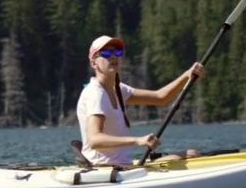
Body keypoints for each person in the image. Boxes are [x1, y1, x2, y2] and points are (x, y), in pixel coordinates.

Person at [77, 35, 204, 166]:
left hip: (123, 166)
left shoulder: (119, 89)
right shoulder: (95, 94)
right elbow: (95, 140)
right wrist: (138, 140)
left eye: (117, 52)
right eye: (106, 53)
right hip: (102, 170)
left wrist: (187, 75)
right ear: (94, 63)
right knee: (190, 156)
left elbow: (160, 98)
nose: (113, 56)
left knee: (191, 154)